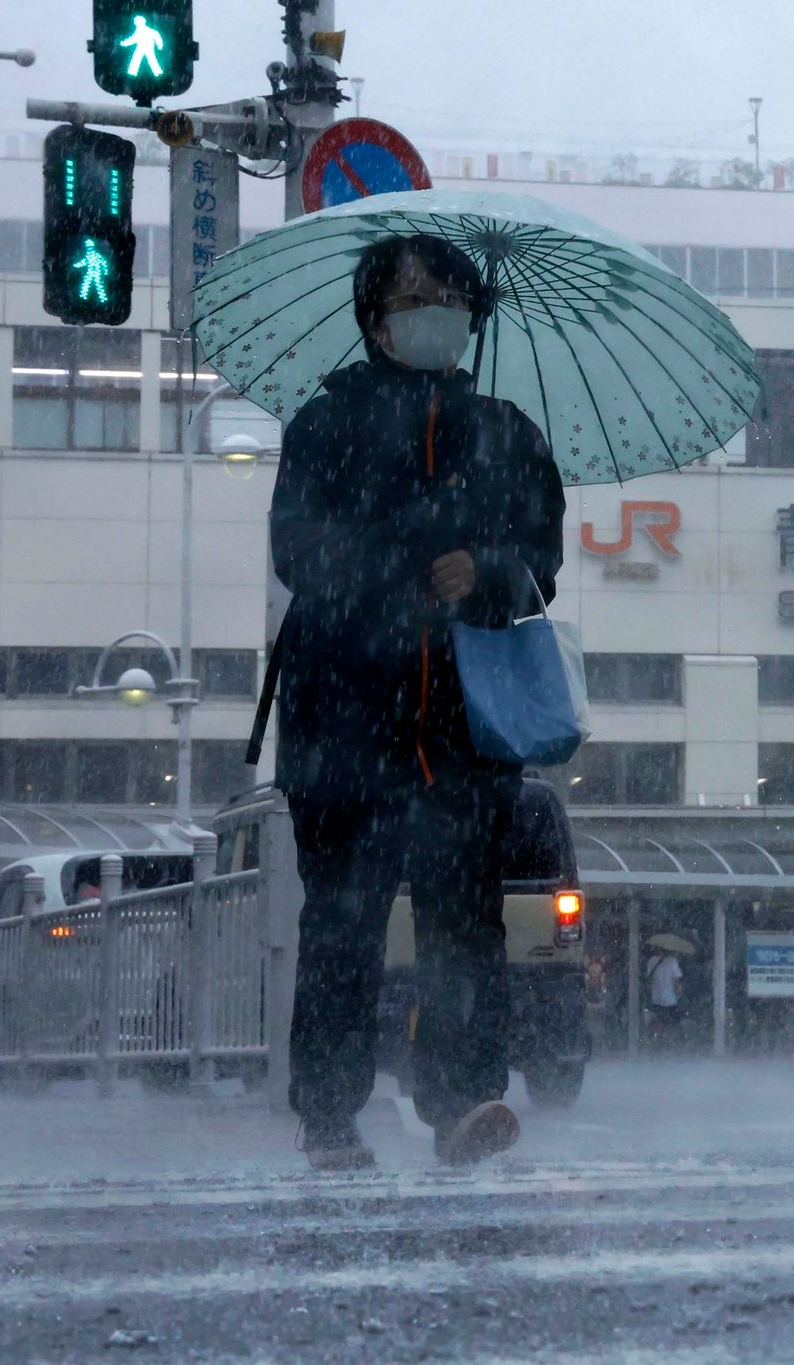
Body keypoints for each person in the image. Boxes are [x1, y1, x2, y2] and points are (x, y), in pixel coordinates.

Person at [259, 233, 566, 1171]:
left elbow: (542, 563)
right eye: (411, 296)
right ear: (375, 320)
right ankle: (327, 1114)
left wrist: (490, 570)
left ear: (472, 315)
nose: (431, 310)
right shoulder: (326, 425)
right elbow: (299, 553)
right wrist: (402, 555)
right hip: (343, 726)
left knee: (464, 927)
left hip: (462, 736)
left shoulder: (508, 432)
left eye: (447, 295)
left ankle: (463, 1101)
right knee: (343, 923)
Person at [644, 948, 684, 1041]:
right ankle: (668, 1040)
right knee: (672, 1023)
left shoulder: (652, 961)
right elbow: (678, 981)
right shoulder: (672, 962)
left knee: (656, 1022)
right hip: (670, 1000)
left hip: (655, 998)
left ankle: (656, 1039)